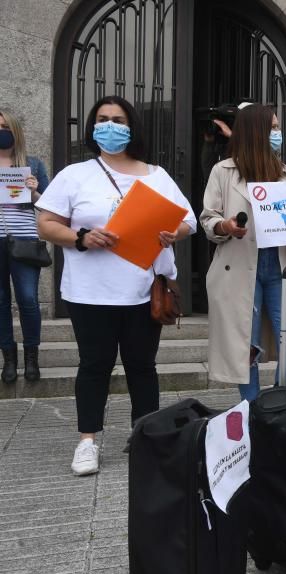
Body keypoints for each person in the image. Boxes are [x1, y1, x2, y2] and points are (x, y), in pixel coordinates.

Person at [36, 96, 196, 476]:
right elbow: (46, 224)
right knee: (94, 365)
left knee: (143, 366)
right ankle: (87, 441)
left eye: (118, 119)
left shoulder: (156, 175)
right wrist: (81, 237)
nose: (110, 126)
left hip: (143, 291)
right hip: (89, 292)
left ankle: (147, 437)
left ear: (132, 126)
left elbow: (188, 221)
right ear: (93, 126)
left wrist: (175, 232)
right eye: (103, 119)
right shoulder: (75, 175)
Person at [200, 103, 286, 402]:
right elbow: (207, 220)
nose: (277, 133)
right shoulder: (222, 171)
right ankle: (250, 409)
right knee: (245, 347)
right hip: (237, 267)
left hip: (279, 266)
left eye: (277, 127)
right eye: (273, 127)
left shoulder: (284, 173)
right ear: (255, 131)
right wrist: (225, 226)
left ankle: (277, 403)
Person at [0, 109, 48, 384]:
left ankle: (32, 356)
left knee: (28, 299)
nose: (2, 130)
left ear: (15, 130)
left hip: (25, 241)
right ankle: (9, 358)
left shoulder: (32, 164)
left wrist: (34, 190)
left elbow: (51, 206)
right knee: (0, 301)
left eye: (6, 126)